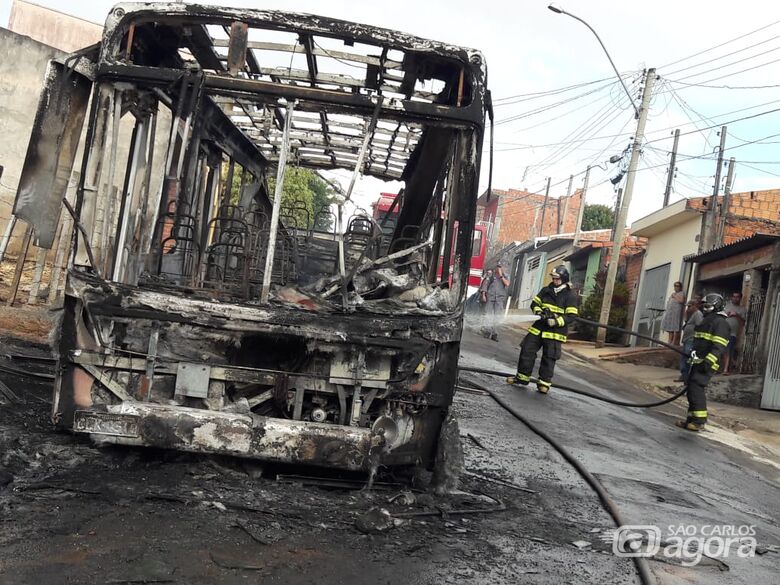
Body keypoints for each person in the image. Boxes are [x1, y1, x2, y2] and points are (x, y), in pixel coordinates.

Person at [506, 265, 578, 394]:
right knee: (527, 349)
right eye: (553, 278)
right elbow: (535, 303)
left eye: (557, 279)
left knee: (549, 357)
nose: (554, 281)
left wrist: (556, 321)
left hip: (555, 332)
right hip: (539, 328)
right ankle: (522, 378)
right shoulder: (546, 290)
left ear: (564, 279)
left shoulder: (570, 295)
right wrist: (540, 312)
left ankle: (544, 383)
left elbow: (572, 316)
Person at [677, 293, 730, 432]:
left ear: (716, 306)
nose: (704, 309)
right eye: (703, 306)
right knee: (691, 389)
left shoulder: (720, 323)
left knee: (696, 389)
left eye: (708, 306)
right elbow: (698, 344)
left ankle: (699, 421)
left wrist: (708, 361)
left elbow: (719, 346)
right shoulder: (706, 321)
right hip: (697, 362)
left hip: (706, 363)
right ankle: (690, 419)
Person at [676, 296, 703, 382]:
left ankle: (687, 376)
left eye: (689, 306)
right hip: (687, 339)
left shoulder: (698, 314)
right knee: (684, 357)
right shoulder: (691, 314)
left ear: (695, 306)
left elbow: (699, 326)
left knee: (687, 357)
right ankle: (684, 375)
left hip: (691, 339)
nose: (688, 308)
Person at [483, 263, 509, 341]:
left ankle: (495, 334)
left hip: (499, 299)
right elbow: (485, 285)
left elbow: (507, 284)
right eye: (498, 267)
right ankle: (487, 331)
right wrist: (483, 294)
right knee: (488, 315)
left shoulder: (505, 276)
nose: (499, 269)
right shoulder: (491, 276)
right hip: (490, 297)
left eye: (500, 267)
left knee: (497, 316)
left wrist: (501, 276)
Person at [722, 291, 746, 375]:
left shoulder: (742, 309)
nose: (735, 298)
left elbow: (743, 322)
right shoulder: (727, 306)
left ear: (740, 298)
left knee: (728, 350)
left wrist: (736, 315)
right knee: (722, 350)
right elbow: (721, 316)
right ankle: (724, 368)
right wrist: (727, 314)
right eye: (734, 296)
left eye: (737, 297)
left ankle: (726, 369)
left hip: (733, 333)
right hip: (723, 331)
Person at [661, 281, 686, 345]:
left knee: (675, 327)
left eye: (677, 286)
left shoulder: (681, 293)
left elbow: (681, 301)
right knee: (670, 328)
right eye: (675, 286)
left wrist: (675, 296)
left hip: (676, 313)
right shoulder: (673, 293)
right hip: (670, 313)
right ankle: (669, 342)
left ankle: (674, 342)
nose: (676, 287)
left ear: (680, 287)